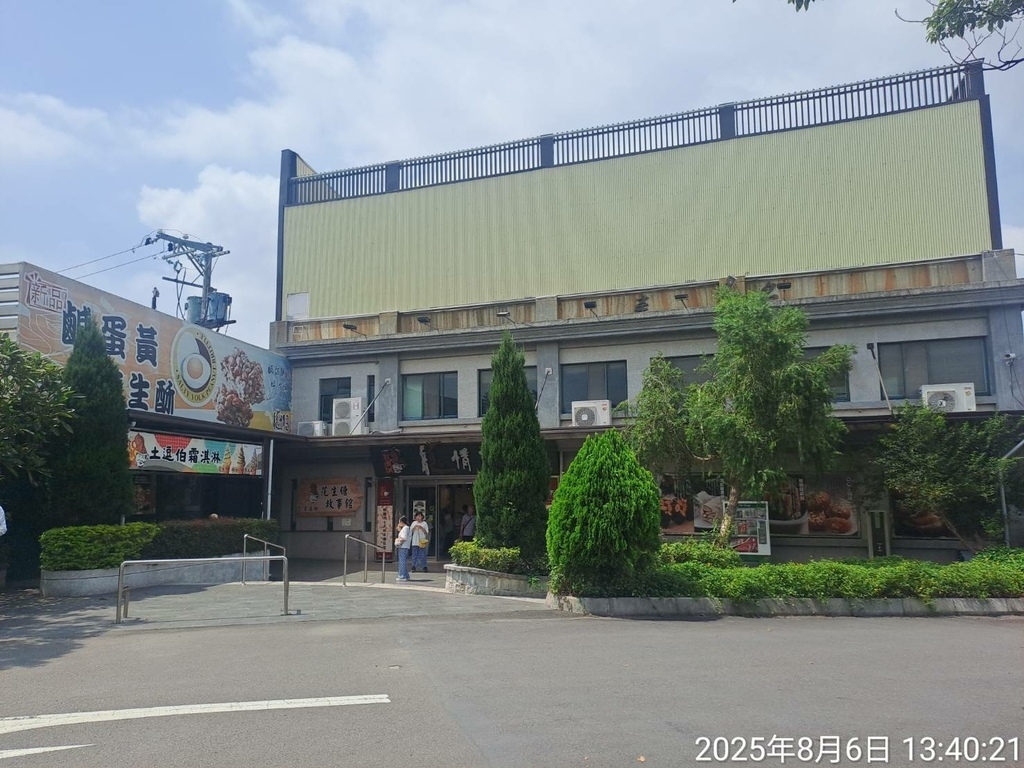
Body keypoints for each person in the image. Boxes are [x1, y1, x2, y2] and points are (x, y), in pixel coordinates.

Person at [394, 516, 412, 581]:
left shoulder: (405, 528)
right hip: (404, 546)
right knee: (403, 561)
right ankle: (406, 575)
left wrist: (398, 540)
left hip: (403, 546)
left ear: (402, 522)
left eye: (399, 522)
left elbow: (404, 538)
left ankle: (402, 576)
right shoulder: (406, 528)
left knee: (402, 561)